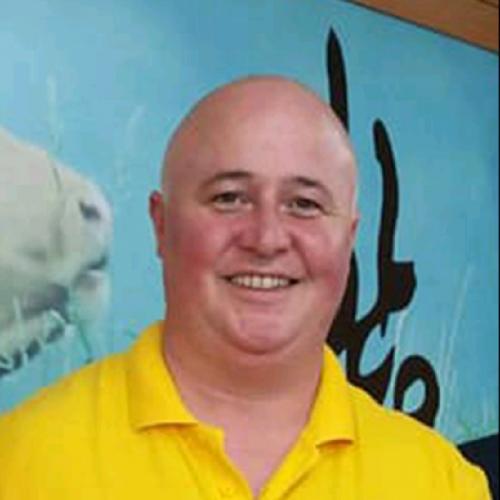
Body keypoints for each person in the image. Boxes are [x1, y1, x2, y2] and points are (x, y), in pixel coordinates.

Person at [0, 76, 491, 499]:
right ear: (161, 225)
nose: (267, 238)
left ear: (349, 237)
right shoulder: (22, 460)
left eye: (304, 204)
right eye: (229, 198)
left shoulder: (441, 482)